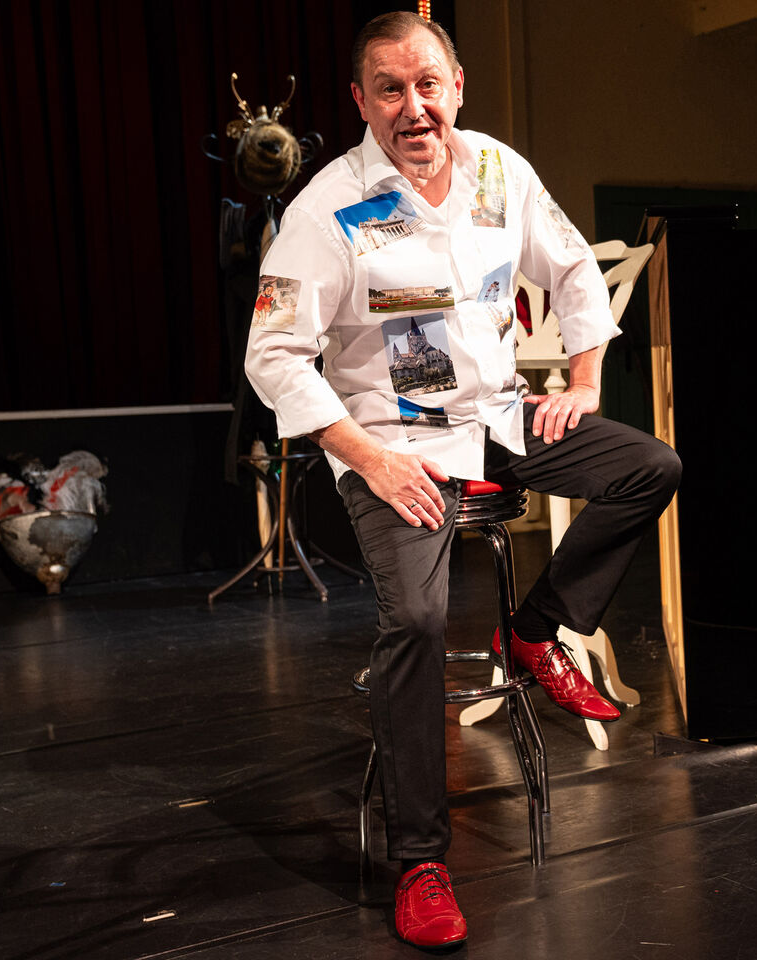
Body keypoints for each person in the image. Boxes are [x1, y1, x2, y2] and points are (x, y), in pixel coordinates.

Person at [243, 12, 681, 949]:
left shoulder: (496, 170)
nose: (415, 108)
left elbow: (572, 269)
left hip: (496, 418)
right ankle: (422, 862)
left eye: (429, 85)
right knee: (418, 621)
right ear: (361, 101)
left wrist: (586, 381)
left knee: (648, 465)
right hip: (391, 443)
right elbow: (273, 354)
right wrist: (366, 456)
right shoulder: (328, 208)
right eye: (391, 90)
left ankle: (531, 633)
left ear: (458, 84)